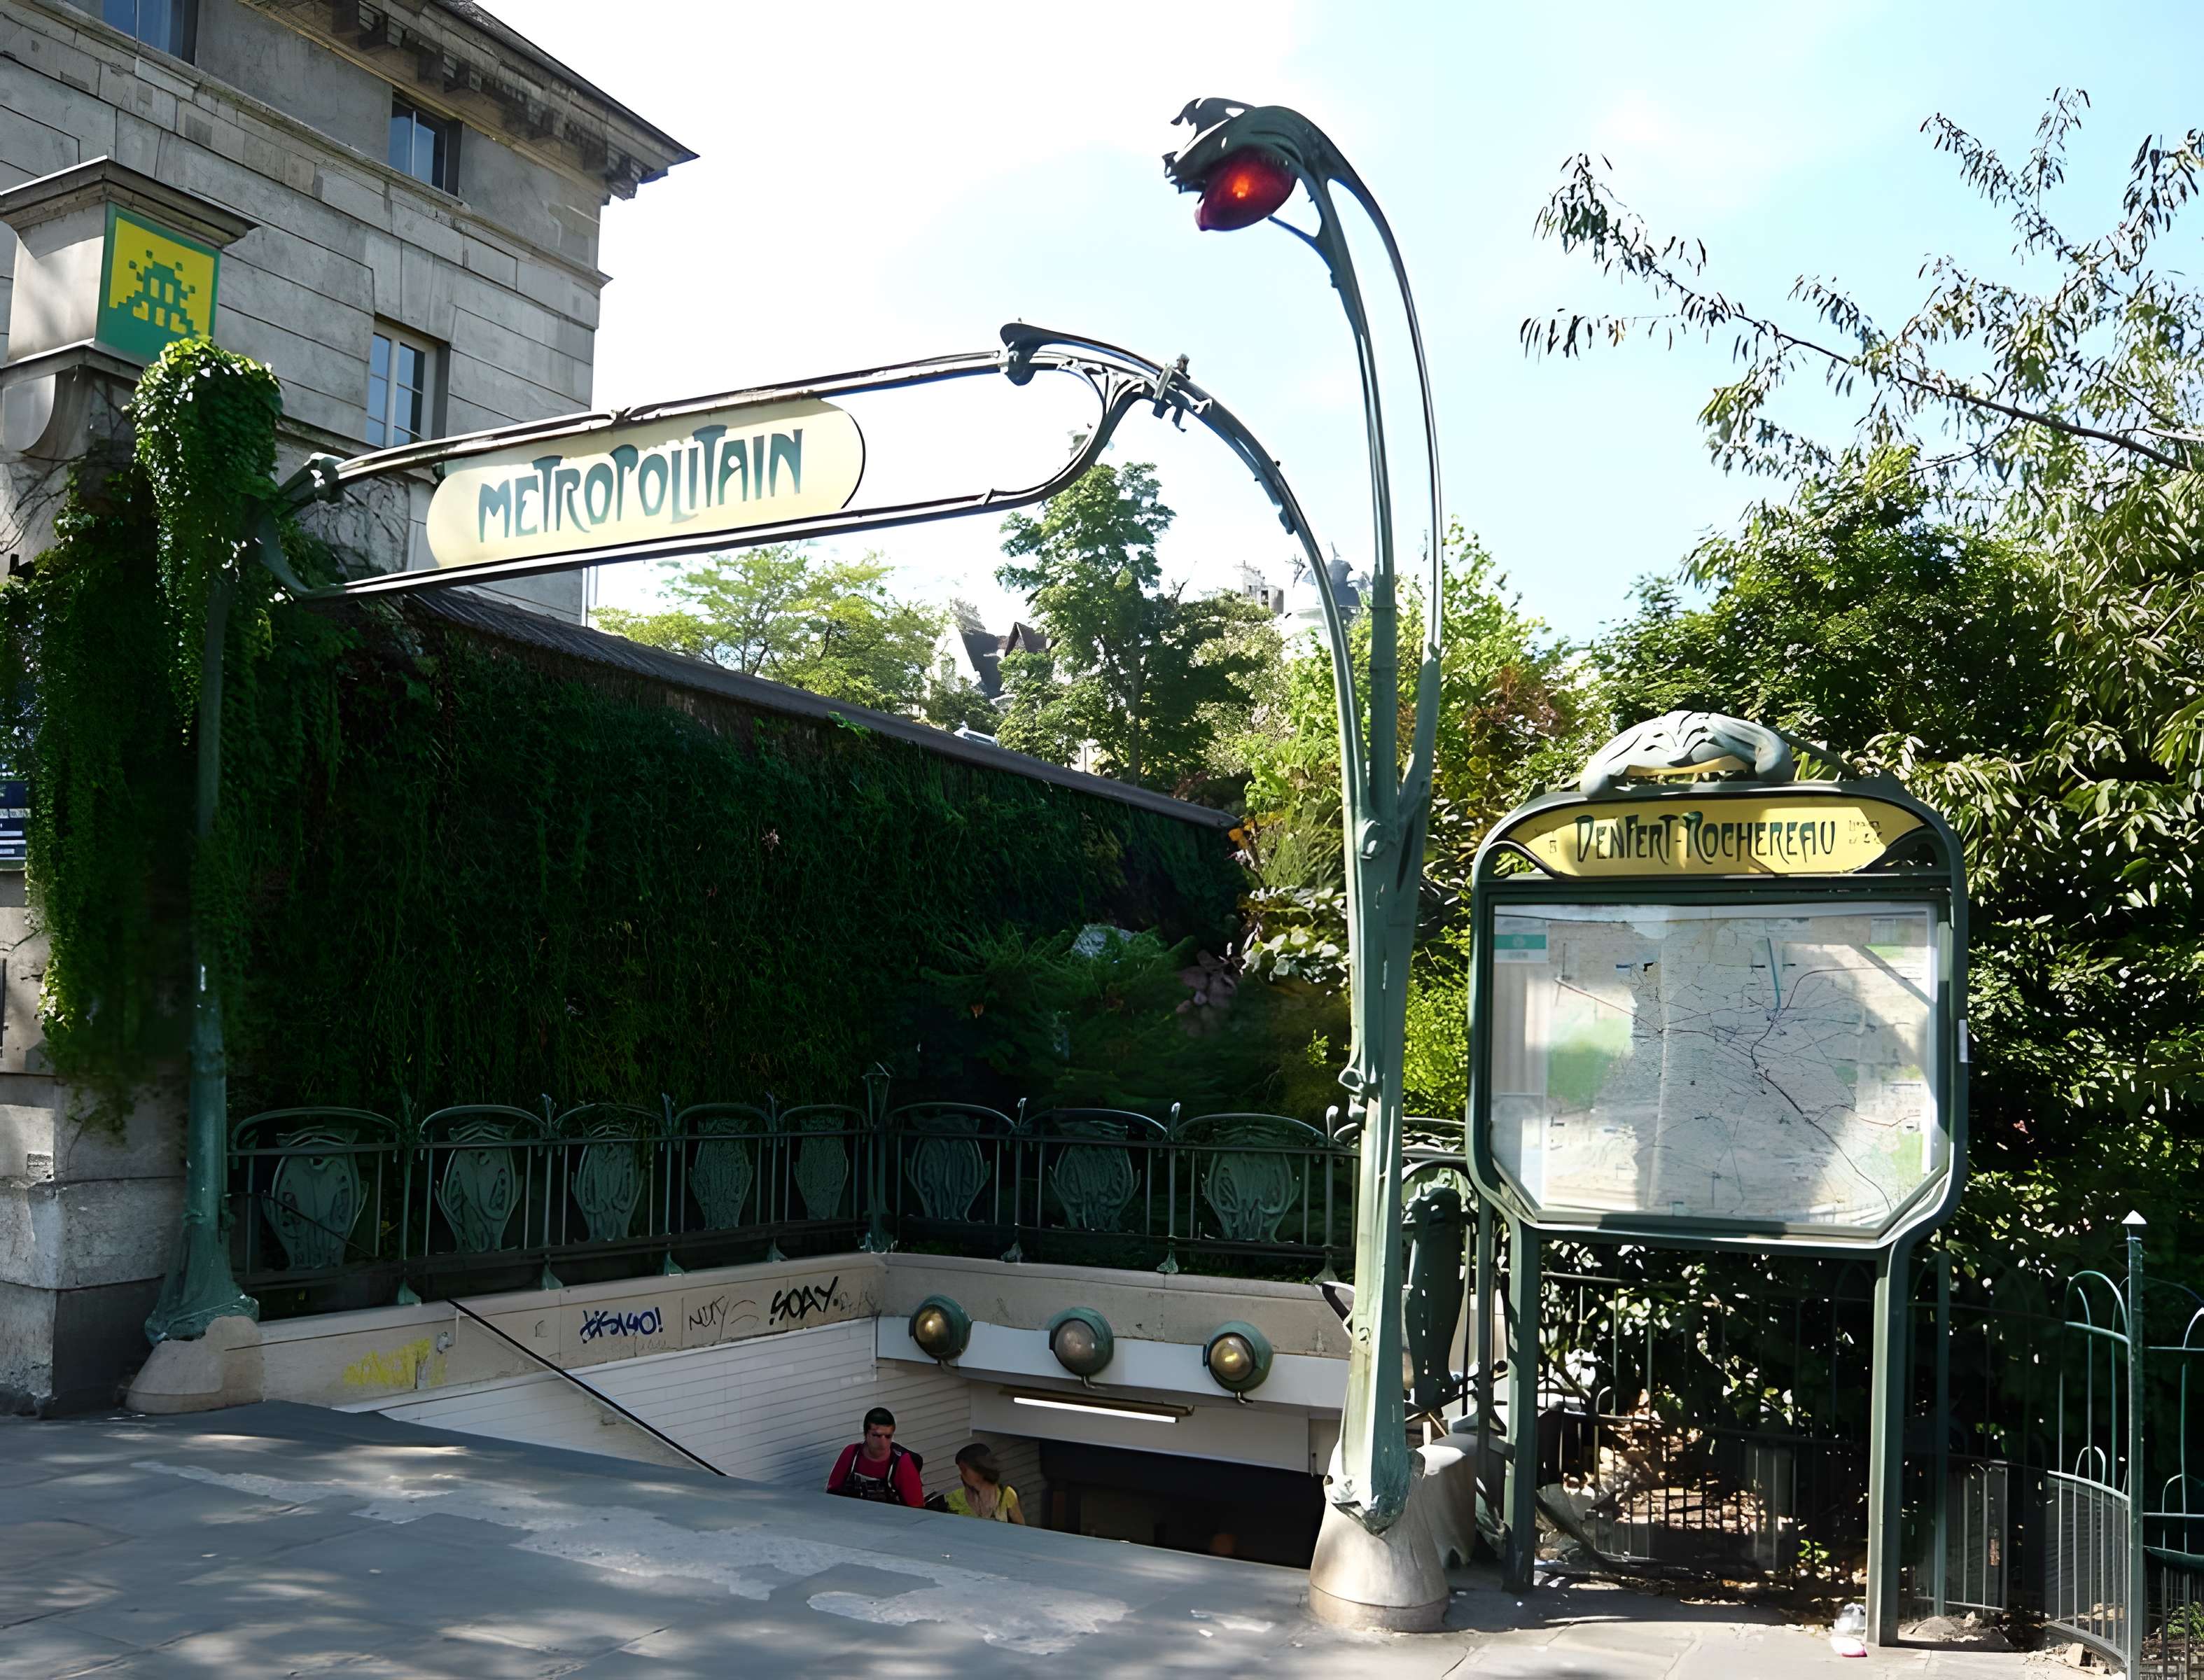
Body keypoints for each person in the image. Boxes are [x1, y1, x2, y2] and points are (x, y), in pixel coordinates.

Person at [825, 1407, 923, 1506]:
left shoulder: (902, 1462)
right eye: (877, 1436)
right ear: (866, 1434)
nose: (883, 1442)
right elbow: (832, 1491)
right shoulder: (851, 1453)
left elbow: (916, 1508)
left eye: (888, 1436)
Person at [940, 1442, 1025, 1524]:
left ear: (979, 1468)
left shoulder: (1006, 1494)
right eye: (961, 1470)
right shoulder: (953, 1497)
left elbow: (1021, 1528)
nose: (962, 1474)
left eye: (965, 1470)